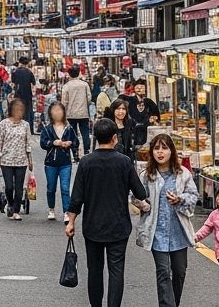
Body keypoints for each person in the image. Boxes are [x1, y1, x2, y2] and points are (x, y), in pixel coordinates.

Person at [66, 118, 151, 307]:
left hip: (92, 226)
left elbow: (76, 197)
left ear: (95, 138)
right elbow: (140, 193)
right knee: (116, 270)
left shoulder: (86, 162)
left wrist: (71, 222)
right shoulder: (124, 162)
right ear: (114, 137)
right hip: (118, 226)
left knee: (94, 270)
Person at [138, 133, 200, 307]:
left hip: (178, 232)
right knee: (164, 272)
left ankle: (174, 303)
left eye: (164, 148)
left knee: (179, 272)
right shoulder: (146, 175)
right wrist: (143, 203)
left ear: (171, 151)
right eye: (156, 148)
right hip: (156, 232)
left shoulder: (183, 174)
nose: (160, 152)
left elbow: (194, 195)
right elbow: (135, 195)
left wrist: (179, 199)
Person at [0, 97, 34, 220]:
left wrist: (30, 160)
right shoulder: (4, 124)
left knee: (19, 187)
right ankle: (10, 203)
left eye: (21, 109)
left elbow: (28, 144)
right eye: (17, 109)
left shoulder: (25, 125)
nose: (20, 112)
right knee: (9, 186)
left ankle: (16, 210)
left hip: (21, 160)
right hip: (7, 160)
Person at [40, 101, 76, 221]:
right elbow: (43, 143)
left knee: (65, 188)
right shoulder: (47, 128)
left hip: (65, 162)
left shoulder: (69, 128)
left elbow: (76, 142)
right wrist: (52, 143)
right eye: (55, 110)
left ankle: (67, 211)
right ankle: (51, 209)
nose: (57, 113)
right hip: (50, 163)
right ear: (50, 113)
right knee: (51, 188)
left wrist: (69, 143)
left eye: (59, 110)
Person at [61, 66, 93, 158]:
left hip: (71, 114)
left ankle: (75, 153)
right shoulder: (84, 85)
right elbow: (89, 99)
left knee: (73, 134)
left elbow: (64, 102)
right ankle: (87, 152)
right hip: (84, 113)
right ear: (79, 72)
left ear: (69, 74)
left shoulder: (66, 86)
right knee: (85, 133)